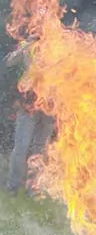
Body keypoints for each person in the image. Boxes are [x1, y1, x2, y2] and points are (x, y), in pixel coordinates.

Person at [6, 39, 53, 194]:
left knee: (40, 148)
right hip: (28, 104)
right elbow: (10, 62)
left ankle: (33, 187)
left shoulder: (58, 41)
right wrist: (23, 48)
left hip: (49, 105)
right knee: (21, 147)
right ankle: (13, 186)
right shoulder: (27, 43)